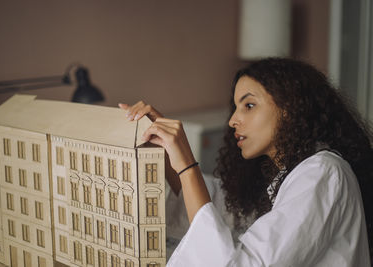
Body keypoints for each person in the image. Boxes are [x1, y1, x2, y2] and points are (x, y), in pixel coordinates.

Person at [119, 58, 373, 266]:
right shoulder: (282, 174)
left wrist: (187, 164)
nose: (233, 121)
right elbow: (220, 208)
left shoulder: (323, 173)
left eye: (249, 105)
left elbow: (240, 262)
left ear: (291, 109)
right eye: (236, 107)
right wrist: (166, 151)